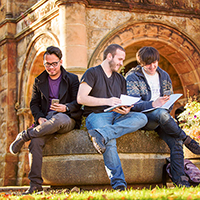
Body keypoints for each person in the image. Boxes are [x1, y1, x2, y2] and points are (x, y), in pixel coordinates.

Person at [10, 46, 82, 194]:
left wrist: (66, 108)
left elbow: (78, 102)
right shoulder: (39, 80)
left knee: (59, 118)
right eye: (47, 64)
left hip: (66, 119)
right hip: (46, 121)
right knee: (36, 142)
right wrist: (39, 118)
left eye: (54, 63)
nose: (51, 67)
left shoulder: (72, 79)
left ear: (61, 62)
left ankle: (25, 135)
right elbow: (34, 104)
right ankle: (35, 184)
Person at [126, 46, 200, 187]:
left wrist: (166, 103)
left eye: (155, 62)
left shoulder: (164, 75)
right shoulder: (132, 77)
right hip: (144, 118)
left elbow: (169, 99)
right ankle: (188, 140)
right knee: (161, 114)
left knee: (176, 141)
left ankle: (180, 181)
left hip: (162, 118)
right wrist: (153, 104)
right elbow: (133, 104)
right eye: (148, 64)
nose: (153, 66)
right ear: (141, 63)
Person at [77, 44, 148, 191]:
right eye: (120, 59)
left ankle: (101, 134)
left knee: (142, 118)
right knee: (109, 141)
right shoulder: (92, 73)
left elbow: (120, 101)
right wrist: (107, 101)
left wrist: (125, 109)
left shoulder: (121, 79)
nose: (122, 63)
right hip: (96, 115)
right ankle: (119, 185)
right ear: (109, 56)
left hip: (116, 115)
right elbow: (81, 98)